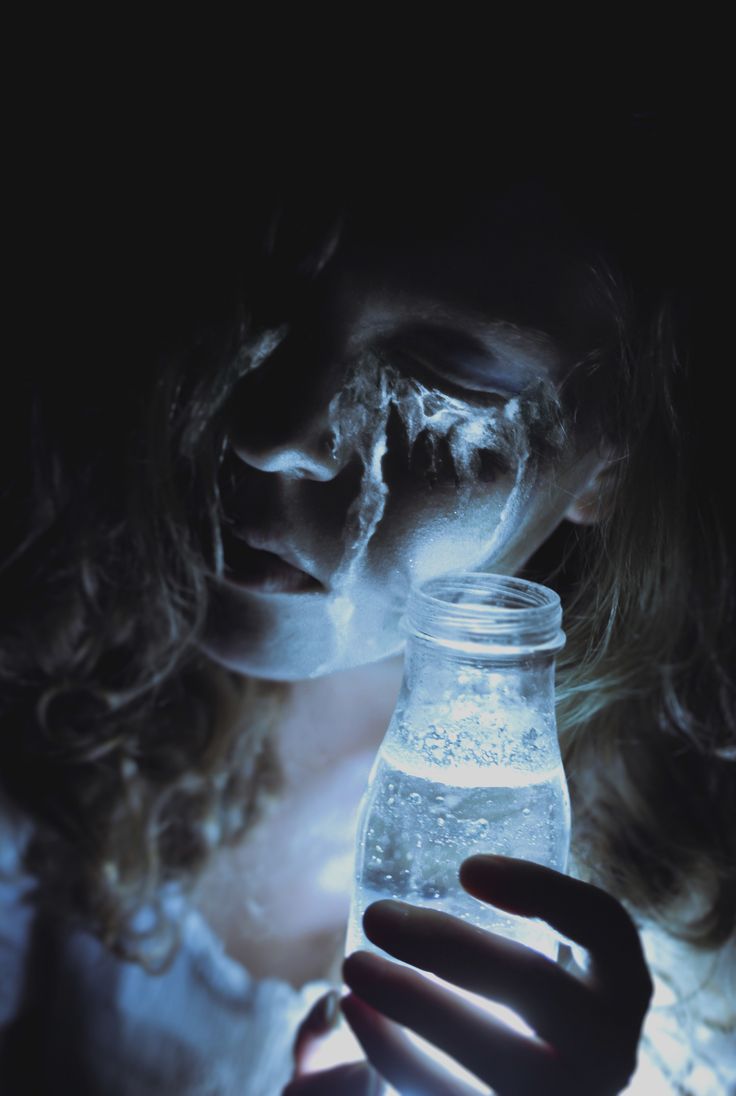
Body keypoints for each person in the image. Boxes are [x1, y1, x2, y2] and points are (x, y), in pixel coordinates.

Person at [0, 104, 734, 1094]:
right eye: (253, 324)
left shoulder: (696, 922)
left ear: (614, 460)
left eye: (446, 389)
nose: (272, 431)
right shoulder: (57, 690)